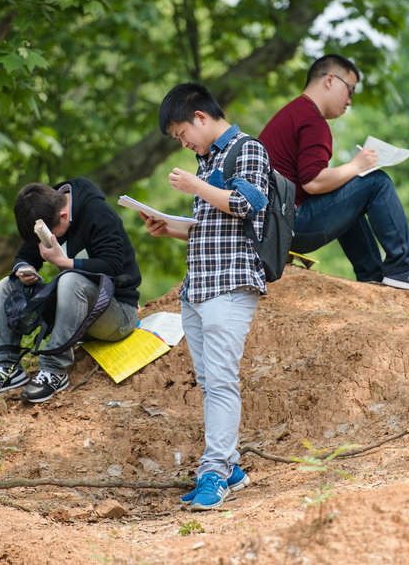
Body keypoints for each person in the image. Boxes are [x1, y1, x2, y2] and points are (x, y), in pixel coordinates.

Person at [145, 82, 267, 510]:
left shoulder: (246, 148)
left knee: (220, 382)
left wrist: (196, 189)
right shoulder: (206, 161)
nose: (184, 143)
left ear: (199, 117)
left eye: (182, 134)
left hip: (230, 284)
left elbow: (247, 205)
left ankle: (214, 472)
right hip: (197, 286)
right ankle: (230, 467)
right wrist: (169, 224)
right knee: (209, 381)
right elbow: (209, 224)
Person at [259, 54, 409, 294]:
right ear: (330, 80)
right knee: (376, 182)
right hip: (290, 224)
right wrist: (357, 166)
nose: (350, 101)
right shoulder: (312, 120)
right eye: (350, 90)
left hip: (274, 226)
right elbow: (313, 182)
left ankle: (372, 276)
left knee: (351, 192)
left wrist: (351, 173)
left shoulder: (294, 112)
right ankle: (406, 267)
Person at [0, 178, 142, 403]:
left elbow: (113, 266)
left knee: (71, 280)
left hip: (118, 313)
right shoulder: (46, 208)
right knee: (8, 284)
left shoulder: (97, 213)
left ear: (63, 216)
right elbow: (26, 254)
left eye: (51, 236)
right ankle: (6, 368)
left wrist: (65, 262)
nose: (49, 240)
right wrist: (25, 268)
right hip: (73, 316)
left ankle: (54, 371)